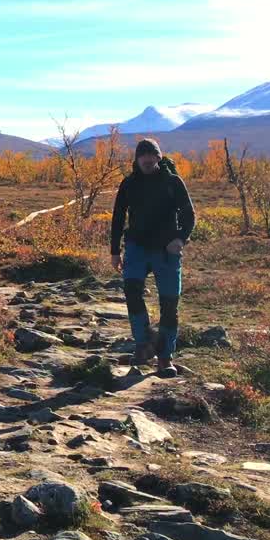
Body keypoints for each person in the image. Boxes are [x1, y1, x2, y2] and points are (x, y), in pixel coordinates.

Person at [109, 138, 195, 378]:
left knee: (169, 304)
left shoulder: (172, 182)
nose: (147, 159)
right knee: (132, 291)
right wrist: (115, 251)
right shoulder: (129, 184)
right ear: (137, 159)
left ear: (158, 157)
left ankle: (165, 357)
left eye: (151, 155)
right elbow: (118, 217)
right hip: (136, 248)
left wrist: (180, 239)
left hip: (166, 251)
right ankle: (144, 343)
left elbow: (189, 215)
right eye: (142, 155)